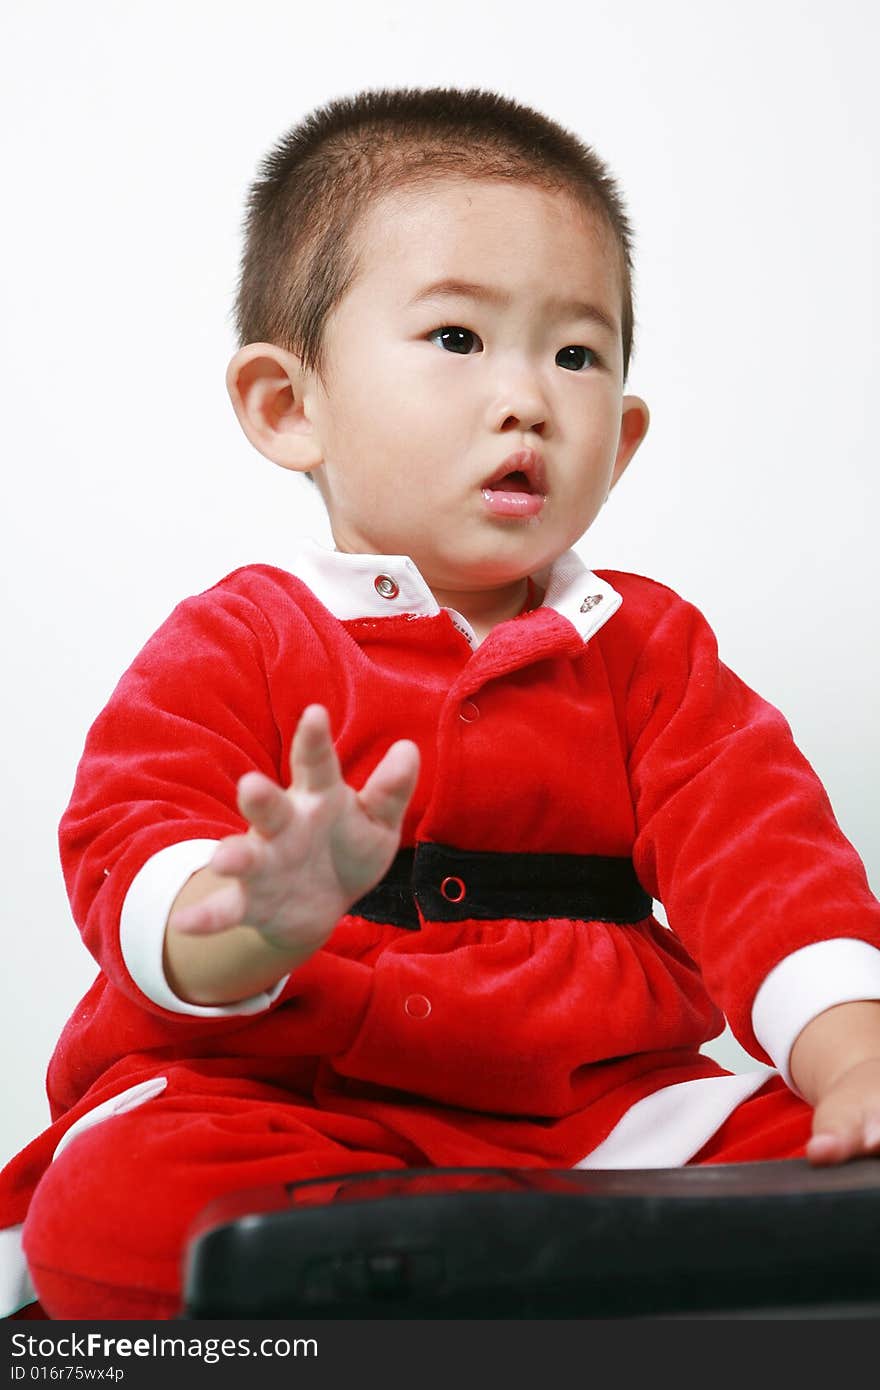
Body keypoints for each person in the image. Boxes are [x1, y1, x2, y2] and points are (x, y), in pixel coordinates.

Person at [2, 86, 880, 1321]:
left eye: (575, 354)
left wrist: (854, 1060)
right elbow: (128, 838)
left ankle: (473, 1271)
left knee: (830, 1158)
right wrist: (253, 915)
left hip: (594, 1108)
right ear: (288, 405)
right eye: (459, 340)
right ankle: (471, 1268)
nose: (526, 397)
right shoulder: (239, 636)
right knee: (124, 1201)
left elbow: (763, 857)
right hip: (292, 1091)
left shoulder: (644, 647)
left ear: (619, 443)